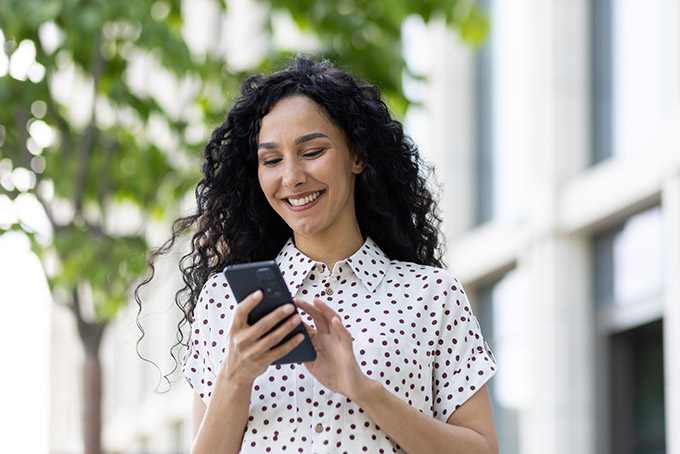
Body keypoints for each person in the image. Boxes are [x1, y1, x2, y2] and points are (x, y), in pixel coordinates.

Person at [149, 54, 498, 453]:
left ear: (357, 155)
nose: (292, 177)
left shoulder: (432, 296)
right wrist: (236, 375)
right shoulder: (225, 302)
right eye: (272, 160)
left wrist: (363, 390)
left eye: (312, 152)